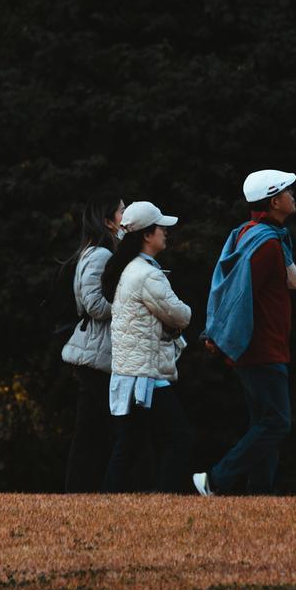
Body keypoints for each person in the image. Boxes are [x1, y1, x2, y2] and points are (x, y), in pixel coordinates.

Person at [194, 169, 296, 496]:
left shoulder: (251, 234)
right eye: (288, 191)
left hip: (259, 348)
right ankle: (215, 480)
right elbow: (237, 292)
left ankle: (260, 494)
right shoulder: (265, 245)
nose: (293, 196)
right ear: (275, 201)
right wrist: (217, 332)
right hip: (260, 348)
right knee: (277, 423)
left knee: (263, 423)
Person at [101, 200, 193, 493]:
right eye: (161, 228)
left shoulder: (128, 270)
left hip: (129, 372)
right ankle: (164, 497)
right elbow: (181, 314)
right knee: (180, 438)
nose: (165, 232)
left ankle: (108, 497)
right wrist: (178, 322)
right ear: (146, 235)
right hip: (147, 376)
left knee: (129, 443)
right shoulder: (147, 274)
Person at [58, 195, 124, 492]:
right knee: (92, 432)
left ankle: (85, 489)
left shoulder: (99, 252)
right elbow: (95, 305)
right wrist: (131, 305)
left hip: (96, 352)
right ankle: (80, 490)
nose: (127, 213)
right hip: (97, 354)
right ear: (108, 220)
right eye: (122, 210)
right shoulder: (100, 255)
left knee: (94, 431)